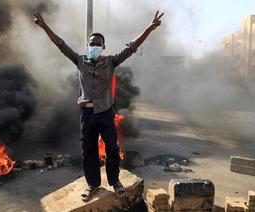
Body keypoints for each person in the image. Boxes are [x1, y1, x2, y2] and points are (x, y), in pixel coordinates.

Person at [34, 10, 163, 201]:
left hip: (105, 113)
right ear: (88, 46)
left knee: (112, 148)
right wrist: (45, 27)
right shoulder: (79, 60)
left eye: (97, 44)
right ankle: (92, 184)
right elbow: (61, 44)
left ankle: (115, 182)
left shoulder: (111, 61)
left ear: (103, 47)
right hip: (87, 114)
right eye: (91, 43)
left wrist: (149, 29)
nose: (94, 46)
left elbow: (132, 46)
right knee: (89, 150)